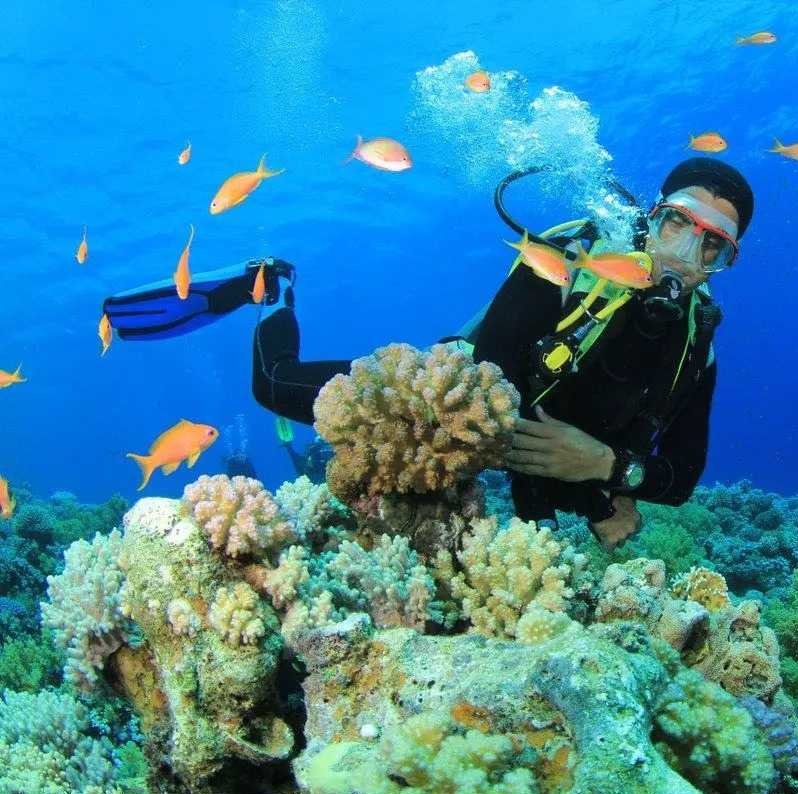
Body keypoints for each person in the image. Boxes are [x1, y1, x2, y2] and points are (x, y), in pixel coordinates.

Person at [104, 158, 753, 548]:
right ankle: (274, 286)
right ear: (651, 219)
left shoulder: (699, 349)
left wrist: (609, 466)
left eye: (713, 248)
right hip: (442, 397)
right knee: (271, 387)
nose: (685, 257)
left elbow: (684, 477)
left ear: (724, 263)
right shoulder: (577, 255)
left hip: (510, 448)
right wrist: (591, 496)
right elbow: (486, 385)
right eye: (677, 224)